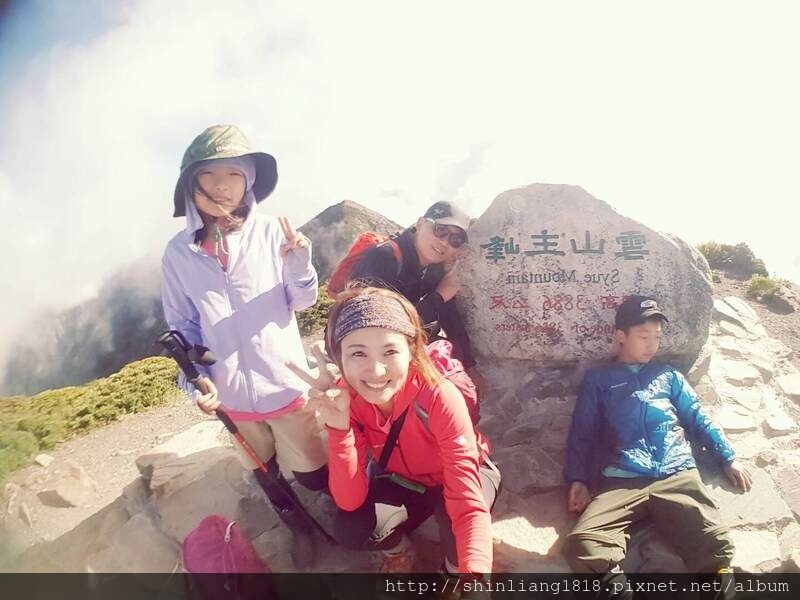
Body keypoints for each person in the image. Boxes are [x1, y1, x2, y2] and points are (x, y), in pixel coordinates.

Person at [160, 124, 328, 569]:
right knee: (266, 473)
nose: (221, 186)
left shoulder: (274, 232)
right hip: (230, 396)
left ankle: (329, 510)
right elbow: (182, 325)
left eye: (233, 174)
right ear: (190, 184)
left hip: (286, 384)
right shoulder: (178, 254)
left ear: (248, 180)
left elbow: (303, 300)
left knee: (313, 474)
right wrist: (196, 382)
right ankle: (300, 529)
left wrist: (300, 263)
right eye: (209, 175)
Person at [288, 286, 500, 589]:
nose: (375, 371)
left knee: (455, 519)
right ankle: (400, 552)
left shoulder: (438, 395)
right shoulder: (346, 399)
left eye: (390, 351)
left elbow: (466, 503)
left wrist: (475, 578)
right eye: (358, 353)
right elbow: (350, 501)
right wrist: (339, 427)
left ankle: (453, 574)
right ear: (339, 357)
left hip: (465, 472)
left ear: (411, 351)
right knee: (352, 527)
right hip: (408, 481)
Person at [563, 295, 752, 599]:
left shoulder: (668, 376)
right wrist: (578, 479)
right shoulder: (599, 380)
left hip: (676, 471)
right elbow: (582, 431)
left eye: (657, 337)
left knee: (714, 541)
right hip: (622, 478)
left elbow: (697, 418)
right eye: (643, 336)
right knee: (583, 541)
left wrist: (727, 457)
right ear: (620, 336)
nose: (652, 344)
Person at [348, 201, 484, 410]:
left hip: (403, 348)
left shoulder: (434, 268)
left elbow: (450, 317)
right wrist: (439, 296)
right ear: (420, 224)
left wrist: (470, 365)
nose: (445, 242)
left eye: (455, 239)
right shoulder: (384, 258)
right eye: (440, 230)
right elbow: (382, 329)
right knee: (450, 392)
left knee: (461, 385)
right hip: (370, 355)